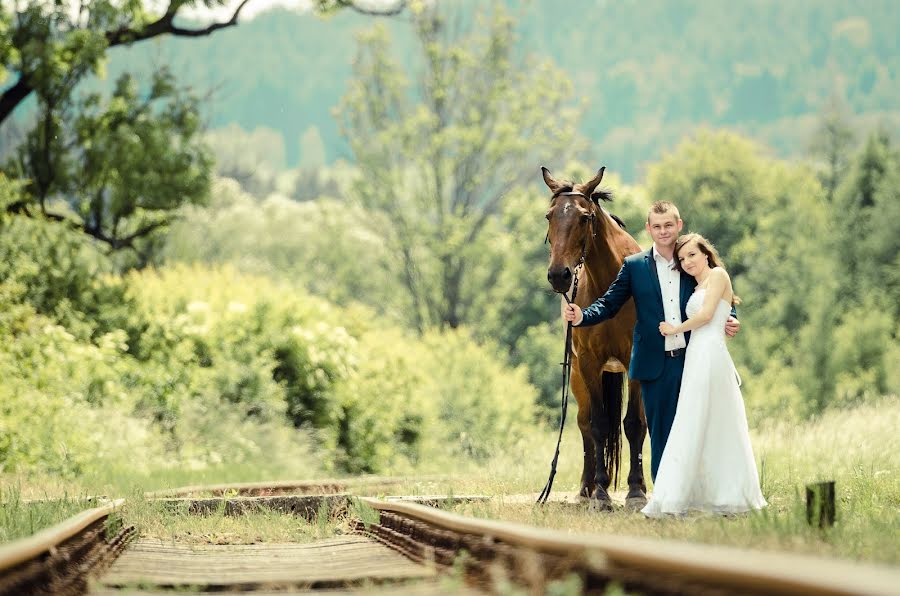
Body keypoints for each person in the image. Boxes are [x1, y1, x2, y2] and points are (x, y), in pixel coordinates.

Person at [562, 202, 740, 482]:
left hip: (687, 358)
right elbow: (610, 303)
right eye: (657, 226)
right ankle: (662, 491)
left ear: (679, 226)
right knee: (655, 432)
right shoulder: (634, 266)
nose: (663, 231)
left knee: (691, 426)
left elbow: (715, 286)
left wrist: (729, 315)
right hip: (652, 361)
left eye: (668, 225)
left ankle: (703, 486)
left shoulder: (689, 261)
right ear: (648, 229)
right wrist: (583, 315)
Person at [641, 233, 766, 517]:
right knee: (695, 419)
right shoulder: (694, 285)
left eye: (692, 255)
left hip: (711, 354)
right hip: (696, 355)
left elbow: (709, 314)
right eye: (682, 259)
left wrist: (675, 329)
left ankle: (731, 493)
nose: (687, 262)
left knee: (710, 419)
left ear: (706, 254)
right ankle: (688, 492)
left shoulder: (719, 275)